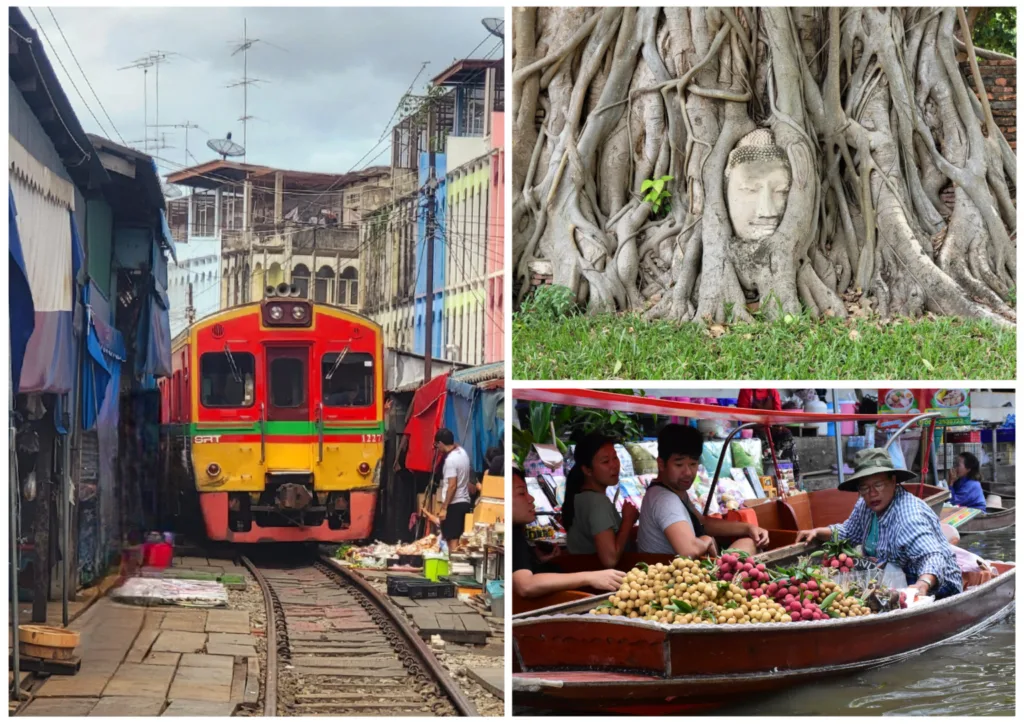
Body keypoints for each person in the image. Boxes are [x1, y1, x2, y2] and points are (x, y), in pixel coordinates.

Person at [796, 448, 962, 600]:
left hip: (936, 586)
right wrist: (818, 532)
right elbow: (848, 532)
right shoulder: (865, 505)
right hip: (893, 577)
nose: (872, 493)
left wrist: (922, 585)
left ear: (893, 481)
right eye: (865, 488)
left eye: (878, 485)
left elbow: (931, 555)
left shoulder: (909, 516)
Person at [637, 424, 769, 558]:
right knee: (750, 544)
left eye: (693, 464)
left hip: (689, 571)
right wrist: (706, 540)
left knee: (750, 541)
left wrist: (748, 528)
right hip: (673, 574)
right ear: (661, 464)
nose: (688, 472)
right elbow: (689, 550)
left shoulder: (675, 492)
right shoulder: (665, 500)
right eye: (679, 465)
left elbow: (703, 523)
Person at [512, 467, 625, 601]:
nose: (531, 498)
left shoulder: (517, 535)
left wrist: (537, 563)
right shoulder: (513, 537)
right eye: (521, 493)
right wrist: (590, 577)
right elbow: (526, 585)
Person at [562, 434, 639, 567]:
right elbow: (610, 559)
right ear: (587, 470)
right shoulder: (597, 503)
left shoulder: (581, 497)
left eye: (615, 457)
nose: (614, 465)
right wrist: (628, 520)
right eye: (605, 461)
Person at [434, 428, 473, 552]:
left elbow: (452, 486)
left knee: (452, 540)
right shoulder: (462, 452)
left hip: (454, 504)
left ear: (440, 443)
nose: (437, 449)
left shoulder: (450, 461)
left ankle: (454, 568)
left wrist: (444, 507)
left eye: (436, 445)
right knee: (456, 537)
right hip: (464, 502)